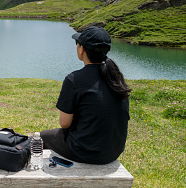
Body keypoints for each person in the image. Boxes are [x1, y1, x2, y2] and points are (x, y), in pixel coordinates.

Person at [41, 26, 131, 164]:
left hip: (86, 152)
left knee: (42, 137)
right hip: (113, 151)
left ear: (81, 49)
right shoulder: (116, 78)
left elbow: (64, 124)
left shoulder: (74, 79)